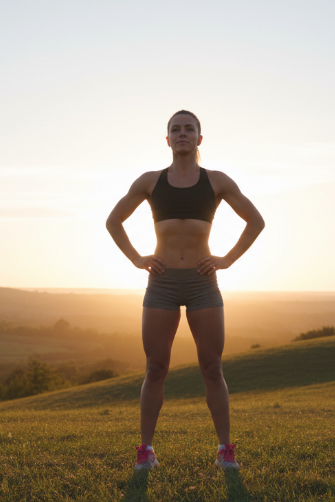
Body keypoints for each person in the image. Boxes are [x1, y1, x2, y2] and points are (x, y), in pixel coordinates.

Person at [106, 110, 265, 470]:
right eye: (175, 129)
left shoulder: (217, 181)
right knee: (155, 367)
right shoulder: (149, 182)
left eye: (188, 129)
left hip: (202, 283)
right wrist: (135, 258)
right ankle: (145, 451)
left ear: (199, 139)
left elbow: (256, 221)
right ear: (167, 140)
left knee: (212, 367)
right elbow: (113, 221)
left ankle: (226, 449)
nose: (182, 134)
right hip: (161, 284)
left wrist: (228, 259)